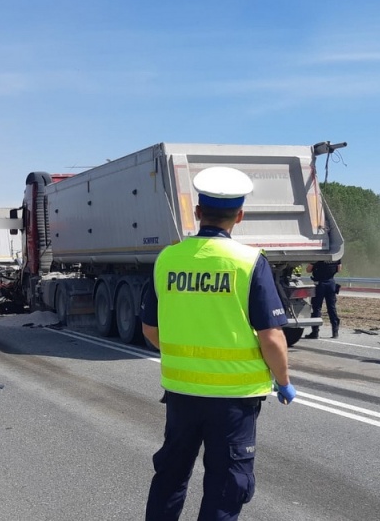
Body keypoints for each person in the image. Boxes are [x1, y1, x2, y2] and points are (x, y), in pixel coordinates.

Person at [141, 166, 296, 521]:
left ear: (197, 212)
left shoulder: (167, 260)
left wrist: (186, 357)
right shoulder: (248, 262)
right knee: (227, 485)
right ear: (239, 216)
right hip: (234, 401)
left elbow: (150, 329)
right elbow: (271, 336)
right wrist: (284, 382)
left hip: (181, 394)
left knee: (171, 475)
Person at [303, 260, 342, 339]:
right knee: (332, 308)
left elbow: (308, 270)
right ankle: (335, 331)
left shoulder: (317, 258)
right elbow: (339, 269)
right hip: (331, 283)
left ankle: (315, 332)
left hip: (320, 284)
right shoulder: (335, 258)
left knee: (316, 308)